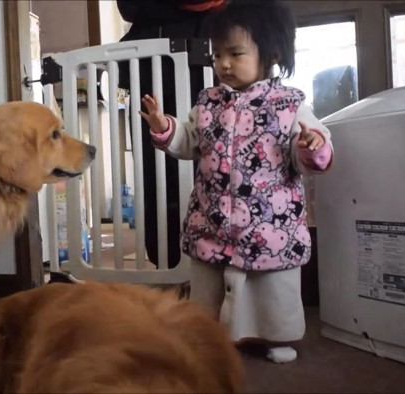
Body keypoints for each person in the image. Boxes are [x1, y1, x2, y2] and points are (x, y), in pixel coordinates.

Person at [138, 0, 335, 363]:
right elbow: (188, 141)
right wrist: (164, 129)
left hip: (269, 225)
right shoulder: (207, 103)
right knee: (209, 285)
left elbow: (309, 150)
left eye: (235, 53)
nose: (223, 63)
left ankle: (277, 336)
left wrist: (312, 146)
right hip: (213, 218)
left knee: (272, 288)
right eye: (216, 55)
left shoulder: (289, 105)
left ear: (271, 53)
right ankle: (210, 336)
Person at [116, 0, 226, 269]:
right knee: (153, 170)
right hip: (147, 65)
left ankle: (199, 257)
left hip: (200, 56)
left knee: (208, 164)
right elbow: (128, 7)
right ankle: (165, 260)